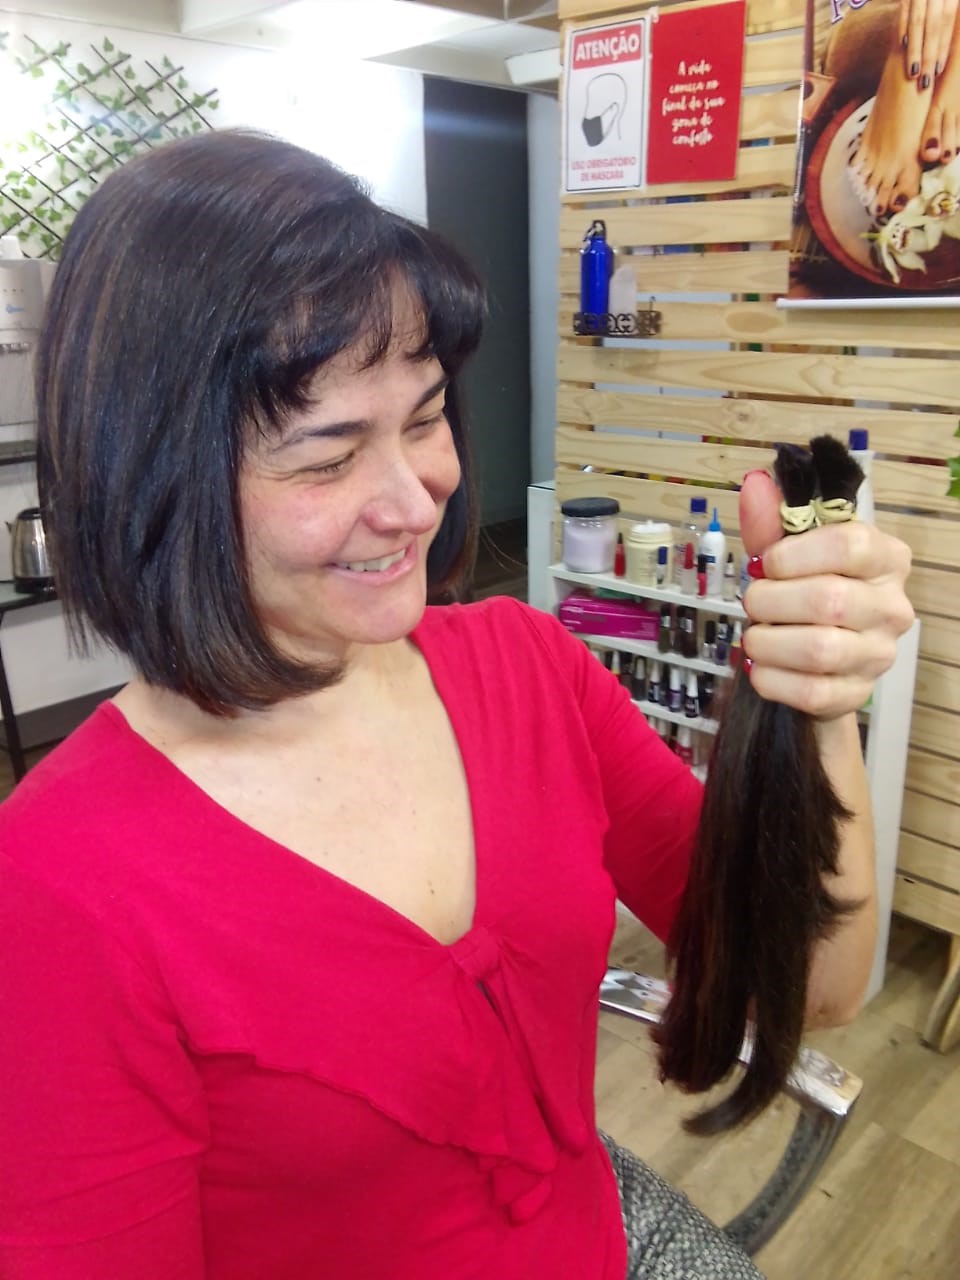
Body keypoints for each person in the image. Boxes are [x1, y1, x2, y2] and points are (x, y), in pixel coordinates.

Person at [0, 130, 913, 1280]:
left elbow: (811, 983)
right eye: (327, 456)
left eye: (425, 416)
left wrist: (816, 698)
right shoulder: (60, 884)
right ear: (153, 476)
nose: (417, 498)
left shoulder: (526, 668)